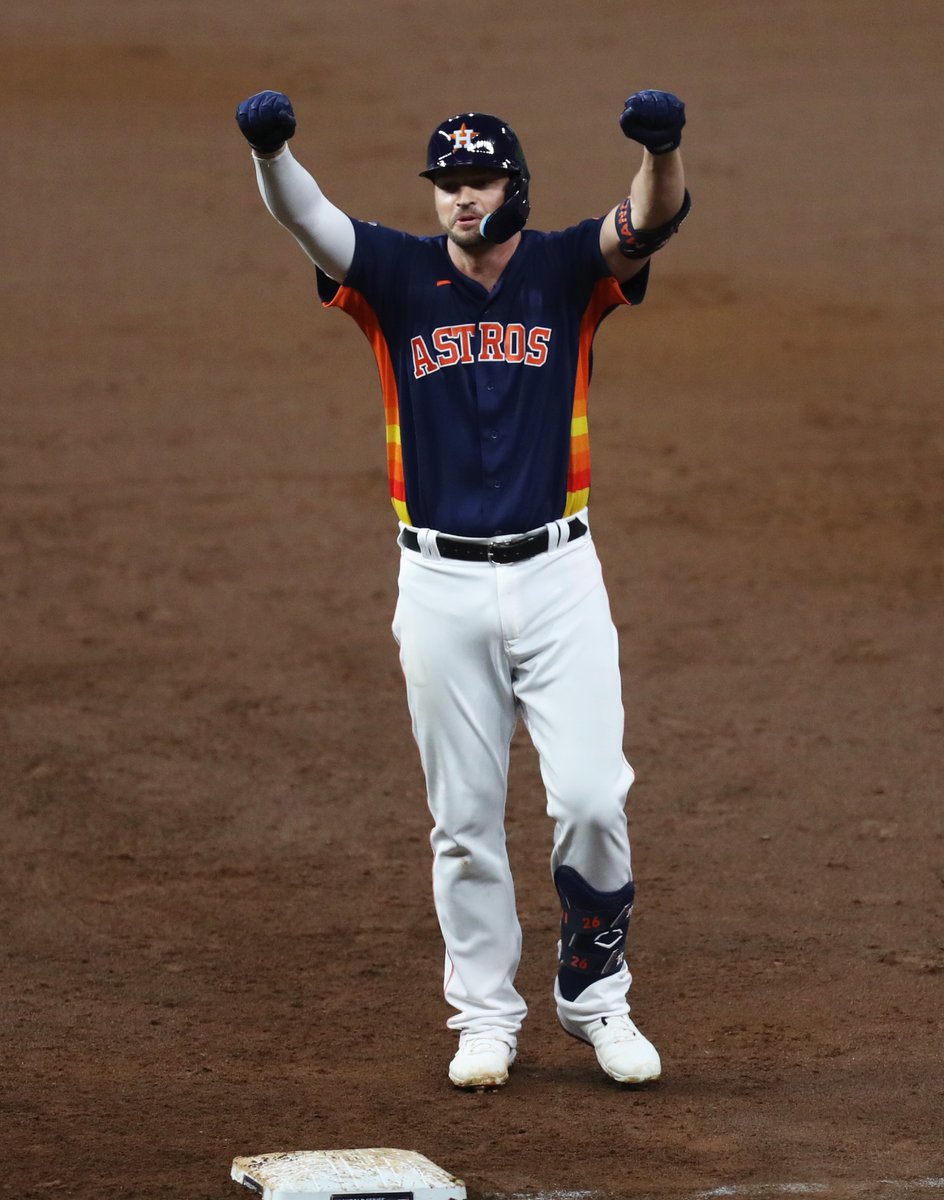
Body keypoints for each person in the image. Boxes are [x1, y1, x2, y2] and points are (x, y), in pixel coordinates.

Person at [235, 87, 690, 1089]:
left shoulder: (569, 267)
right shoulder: (396, 277)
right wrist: (273, 154)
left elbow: (648, 219)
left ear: (514, 186)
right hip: (437, 582)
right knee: (465, 820)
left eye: (477, 180)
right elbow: (310, 220)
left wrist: (663, 149)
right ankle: (484, 1016)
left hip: (560, 572)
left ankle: (593, 992)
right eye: (445, 184)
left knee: (591, 798)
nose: (458, 200)